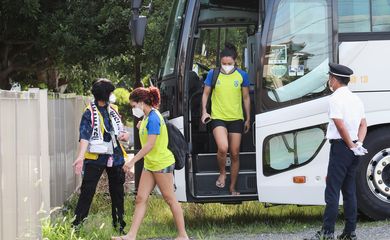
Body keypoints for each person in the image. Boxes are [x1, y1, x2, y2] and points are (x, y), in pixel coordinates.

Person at [111, 87, 189, 240]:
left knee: (169, 198)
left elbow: (149, 145)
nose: (133, 109)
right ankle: (131, 235)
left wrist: (132, 161)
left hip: (161, 164)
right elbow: (147, 135)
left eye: (134, 106)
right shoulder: (147, 117)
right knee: (140, 198)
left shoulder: (153, 118)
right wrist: (141, 127)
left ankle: (183, 235)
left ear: (141, 103)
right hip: (151, 164)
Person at [305, 63, 367, 240]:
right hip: (355, 148)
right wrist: (358, 143)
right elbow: (364, 124)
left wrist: (349, 144)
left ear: (334, 79)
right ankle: (350, 232)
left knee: (332, 190)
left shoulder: (335, 99)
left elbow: (339, 125)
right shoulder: (356, 99)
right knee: (349, 191)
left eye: (330, 78)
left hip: (341, 147)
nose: (329, 81)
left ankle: (327, 231)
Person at [72, 78, 128, 233]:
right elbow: (84, 135)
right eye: (110, 92)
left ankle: (119, 226)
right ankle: (76, 225)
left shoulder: (114, 109)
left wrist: (125, 135)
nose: (112, 95)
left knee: (117, 193)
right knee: (87, 191)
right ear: (105, 95)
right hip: (95, 157)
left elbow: (119, 130)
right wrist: (81, 157)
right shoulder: (89, 112)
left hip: (115, 156)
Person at [200, 43, 251, 195]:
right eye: (223, 63)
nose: (226, 66)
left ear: (235, 61)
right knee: (223, 147)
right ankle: (222, 172)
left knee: (235, 153)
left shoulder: (242, 75)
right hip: (218, 117)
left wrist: (248, 118)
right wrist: (204, 111)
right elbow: (205, 94)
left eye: (229, 64)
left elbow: (246, 98)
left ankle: (232, 187)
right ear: (220, 62)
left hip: (236, 118)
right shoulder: (213, 74)